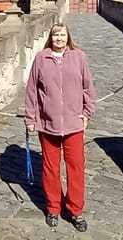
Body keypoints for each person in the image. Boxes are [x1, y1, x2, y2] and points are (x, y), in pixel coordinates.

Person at [24, 23, 96, 232]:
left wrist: (87, 112)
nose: (59, 39)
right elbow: (31, 91)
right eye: (56, 35)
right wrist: (30, 118)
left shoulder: (78, 57)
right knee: (50, 169)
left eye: (62, 35)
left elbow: (88, 87)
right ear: (51, 38)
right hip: (48, 124)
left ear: (68, 37)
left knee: (76, 168)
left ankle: (75, 210)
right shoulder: (41, 59)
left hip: (74, 123)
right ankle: (53, 208)